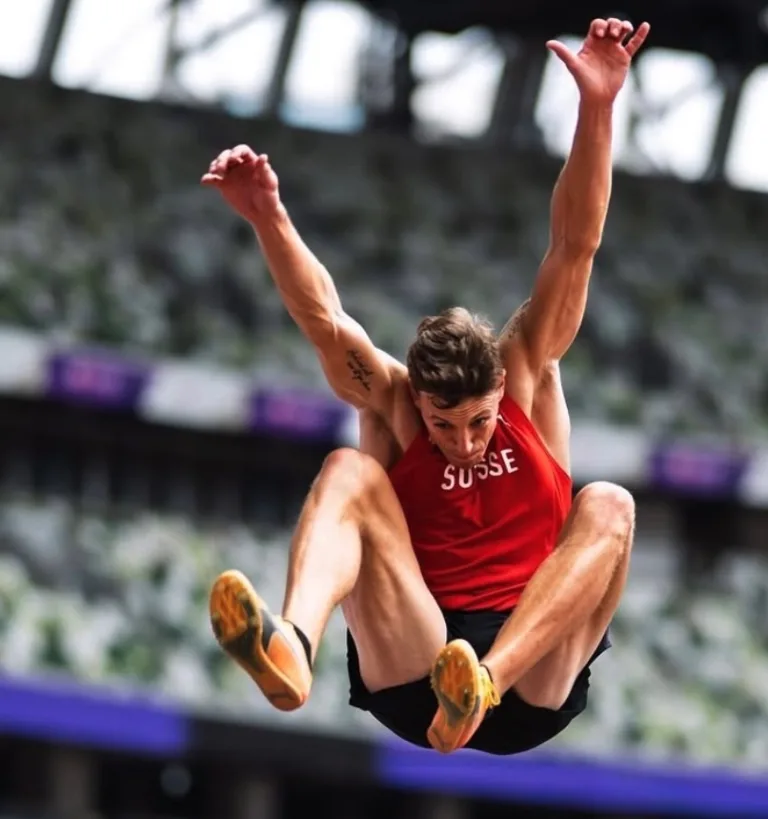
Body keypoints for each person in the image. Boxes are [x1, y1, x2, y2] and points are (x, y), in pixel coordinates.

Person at [202, 17, 649, 755]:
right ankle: (290, 645)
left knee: (609, 504)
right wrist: (268, 216)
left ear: (502, 387)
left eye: (478, 422)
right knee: (349, 468)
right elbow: (327, 322)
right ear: (421, 405)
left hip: (528, 672)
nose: (464, 443)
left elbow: (576, 245)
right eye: (444, 426)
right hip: (418, 659)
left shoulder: (528, 373)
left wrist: (597, 108)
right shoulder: (395, 402)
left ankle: (480, 686)